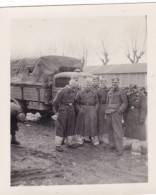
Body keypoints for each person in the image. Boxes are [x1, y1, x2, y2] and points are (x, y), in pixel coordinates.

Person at [53, 79, 79, 152]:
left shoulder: (74, 92)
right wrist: (58, 111)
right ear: (70, 85)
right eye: (73, 87)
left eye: (75, 88)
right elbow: (55, 102)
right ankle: (58, 145)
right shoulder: (61, 92)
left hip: (71, 111)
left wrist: (77, 110)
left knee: (70, 126)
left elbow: (74, 102)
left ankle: (69, 142)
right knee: (60, 127)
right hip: (63, 111)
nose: (74, 89)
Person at [105, 77, 128, 156]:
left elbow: (125, 103)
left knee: (118, 131)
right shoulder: (110, 91)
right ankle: (112, 145)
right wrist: (106, 112)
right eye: (113, 82)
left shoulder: (121, 91)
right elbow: (107, 102)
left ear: (118, 82)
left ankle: (119, 149)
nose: (114, 84)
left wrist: (119, 111)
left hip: (116, 113)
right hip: (108, 112)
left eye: (115, 82)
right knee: (110, 130)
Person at [75, 78, 99, 146]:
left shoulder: (94, 92)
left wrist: (95, 109)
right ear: (84, 85)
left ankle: (94, 139)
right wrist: (79, 109)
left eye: (90, 85)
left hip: (91, 109)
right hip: (83, 109)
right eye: (87, 84)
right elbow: (76, 102)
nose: (88, 86)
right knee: (81, 124)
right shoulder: (80, 92)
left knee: (92, 124)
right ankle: (80, 139)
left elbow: (97, 102)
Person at [97, 78, 108, 143]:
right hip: (100, 106)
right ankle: (100, 137)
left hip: (106, 106)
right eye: (101, 83)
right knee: (100, 121)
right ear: (99, 84)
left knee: (106, 121)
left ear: (106, 83)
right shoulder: (98, 91)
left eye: (104, 83)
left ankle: (105, 137)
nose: (102, 84)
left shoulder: (109, 90)